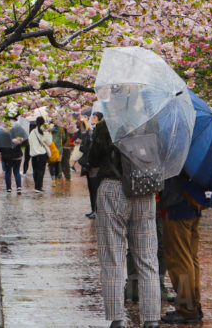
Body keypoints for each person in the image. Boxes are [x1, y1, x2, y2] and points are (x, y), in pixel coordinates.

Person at [90, 119, 161, 328]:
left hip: (113, 188)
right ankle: (151, 319)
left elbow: (92, 159)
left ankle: (117, 319)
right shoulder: (150, 124)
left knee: (112, 258)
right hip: (144, 187)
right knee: (147, 258)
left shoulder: (108, 124)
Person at [159, 175, 202, 325]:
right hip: (193, 200)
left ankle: (186, 308)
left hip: (177, 202)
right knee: (190, 256)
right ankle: (193, 303)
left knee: (180, 259)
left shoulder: (178, 152)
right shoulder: (197, 151)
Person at [78, 112, 101, 218]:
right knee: (91, 188)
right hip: (88, 164)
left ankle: (97, 210)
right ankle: (93, 209)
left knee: (95, 188)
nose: (93, 119)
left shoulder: (99, 130)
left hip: (95, 166)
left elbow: (93, 139)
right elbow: (83, 136)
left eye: (95, 117)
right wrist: (82, 125)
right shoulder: (91, 129)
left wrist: (88, 127)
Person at [28, 116, 53, 194]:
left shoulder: (32, 132)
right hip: (42, 154)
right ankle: (39, 187)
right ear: (43, 123)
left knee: (35, 170)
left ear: (36, 123)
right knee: (41, 170)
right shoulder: (45, 132)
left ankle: (36, 185)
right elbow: (49, 143)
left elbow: (29, 142)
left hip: (33, 154)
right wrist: (50, 135)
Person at [0, 124, 24, 194]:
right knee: (16, 172)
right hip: (17, 155)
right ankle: (19, 187)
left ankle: (9, 188)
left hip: (7, 156)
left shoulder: (1, 133)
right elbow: (21, 144)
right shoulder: (17, 133)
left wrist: (3, 153)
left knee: (8, 172)